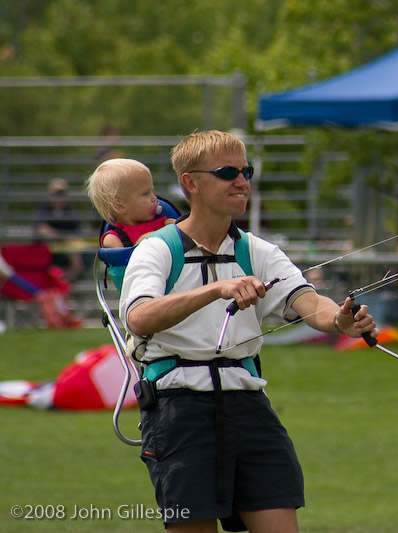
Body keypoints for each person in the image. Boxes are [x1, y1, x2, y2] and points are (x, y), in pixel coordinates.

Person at [119, 130, 378, 532]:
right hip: (178, 409)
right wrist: (216, 288)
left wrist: (340, 321)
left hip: (249, 406)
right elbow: (139, 317)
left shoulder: (257, 250)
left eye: (246, 171)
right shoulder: (156, 248)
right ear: (191, 182)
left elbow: (310, 303)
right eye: (227, 172)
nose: (241, 182)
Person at [85, 158, 176, 248]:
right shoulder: (113, 239)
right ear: (119, 206)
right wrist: (146, 241)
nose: (154, 198)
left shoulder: (164, 224)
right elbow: (123, 259)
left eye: (152, 191)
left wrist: (176, 230)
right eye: (145, 194)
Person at [35, 177, 85, 277]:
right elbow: (42, 230)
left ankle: (72, 276)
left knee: (75, 249)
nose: (59, 197)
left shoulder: (70, 211)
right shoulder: (43, 209)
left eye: (61, 194)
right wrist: (63, 236)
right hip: (47, 246)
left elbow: (76, 232)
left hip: (66, 247)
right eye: (56, 194)